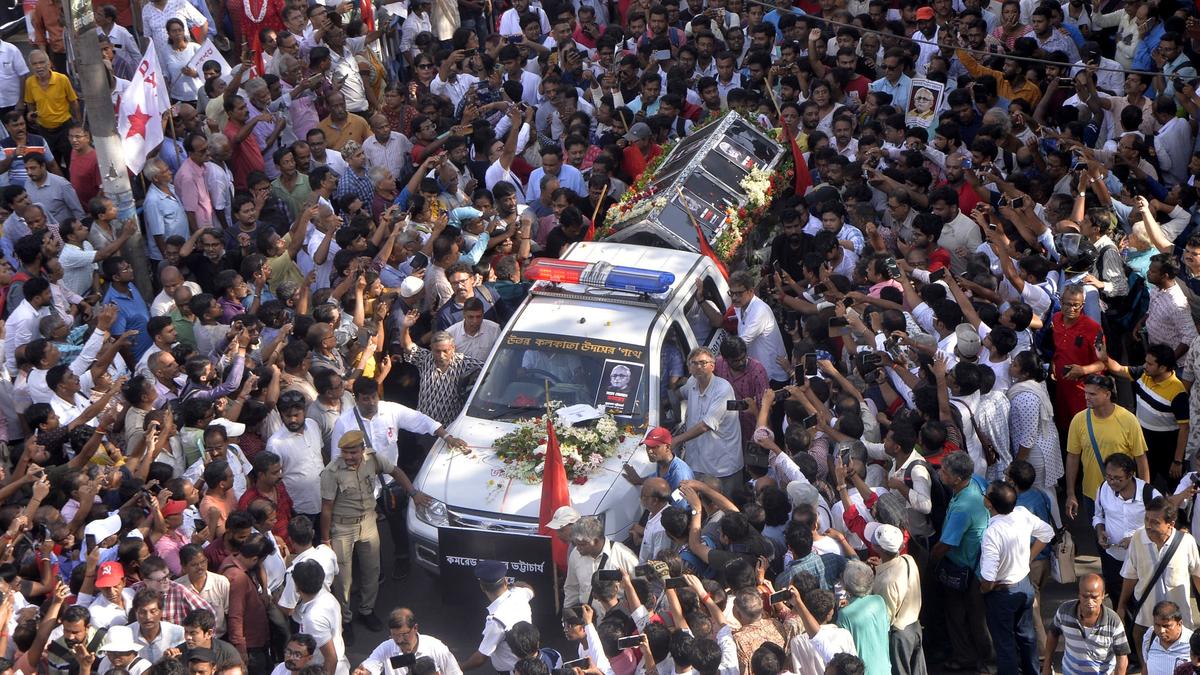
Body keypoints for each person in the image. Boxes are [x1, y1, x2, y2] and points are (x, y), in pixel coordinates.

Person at [320, 430, 430, 633]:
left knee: (373, 571)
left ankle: (367, 611)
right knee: (343, 578)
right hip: (343, 527)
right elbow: (326, 507)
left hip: (369, 522)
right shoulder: (331, 471)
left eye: (353, 452)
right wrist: (325, 539)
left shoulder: (372, 459)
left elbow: (395, 471)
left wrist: (413, 493)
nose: (349, 457)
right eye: (345, 452)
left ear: (362, 450)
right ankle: (345, 620)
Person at [978, 479, 1054, 675]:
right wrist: (1028, 558)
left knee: (1005, 644)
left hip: (1002, 593)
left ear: (989, 503)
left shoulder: (992, 533)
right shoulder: (1021, 514)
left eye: (986, 494)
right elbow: (1047, 533)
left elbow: (988, 577)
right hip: (1024, 586)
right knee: (1027, 637)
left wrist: (985, 589)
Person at [675, 347, 742, 496]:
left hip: (721, 466)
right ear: (689, 367)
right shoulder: (692, 383)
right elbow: (679, 394)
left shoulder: (723, 389)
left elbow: (706, 426)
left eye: (703, 363)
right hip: (696, 462)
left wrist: (676, 440)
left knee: (724, 510)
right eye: (694, 363)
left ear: (712, 366)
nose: (699, 366)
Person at [459, 560, 536, 673]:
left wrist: (459, 667)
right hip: (532, 663)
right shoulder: (520, 594)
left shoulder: (496, 620)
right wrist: (513, 585)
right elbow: (530, 589)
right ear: (505, 581)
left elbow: (480, 658)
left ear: (482, 587)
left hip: (512, 671)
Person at [1045, 574, 1131, 675]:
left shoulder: (1113, 622)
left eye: (1094, 597)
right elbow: (1053, 634)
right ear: (1079, 594)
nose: (1089, 602)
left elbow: (1122, 658)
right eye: (1085, 596)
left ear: (1103, 595)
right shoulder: (1064, 612)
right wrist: (1047, 666)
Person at [562, 516, 639, 608]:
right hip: (588, 618)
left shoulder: (624, 555)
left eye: (582, 544)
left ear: (595, 541)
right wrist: (568, 614)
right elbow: (572, 588)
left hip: (619, 619)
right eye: (576, 544)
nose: (578, 548)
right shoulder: (575, 555)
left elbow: (641, 587)